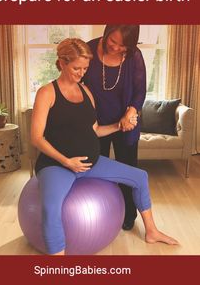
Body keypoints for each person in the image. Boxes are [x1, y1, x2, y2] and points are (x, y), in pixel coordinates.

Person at [31, 38, 178, 256]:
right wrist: (66, 161)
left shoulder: (86, 93)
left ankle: (152, 231)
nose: (81, 73)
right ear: (61, 63)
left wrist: (120, 125)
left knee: (140, 177)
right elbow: (36, 138)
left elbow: (95, 130)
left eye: (85, 68)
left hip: (92, 162)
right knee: (51, 208)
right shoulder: (47, 93)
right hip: (57, 165)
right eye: (76, 68)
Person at [84, 25, 146, 231]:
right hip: (94, 125)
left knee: (127, 170)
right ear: (106, 32)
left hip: (125, 125)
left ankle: (128, 214)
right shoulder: (89, 50)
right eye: (113, 41)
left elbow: (140, 90)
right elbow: (75, 80)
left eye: (123, 45)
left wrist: (132, 111)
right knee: (96, 171)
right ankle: (99, 212)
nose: (117, 48)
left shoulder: (134, 56)